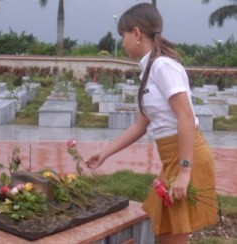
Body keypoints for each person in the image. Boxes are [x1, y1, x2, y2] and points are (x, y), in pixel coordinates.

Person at [85, 3, 218, 244]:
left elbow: (186, 117)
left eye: (122, 36)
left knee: (174, 236)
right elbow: (140, 125)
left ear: (136, 33)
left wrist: (185, 172)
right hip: (173, 159)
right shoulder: (149, 70)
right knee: (164, 234)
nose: (122, 42)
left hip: (187, 157)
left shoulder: (162, 66)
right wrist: (105, 153)